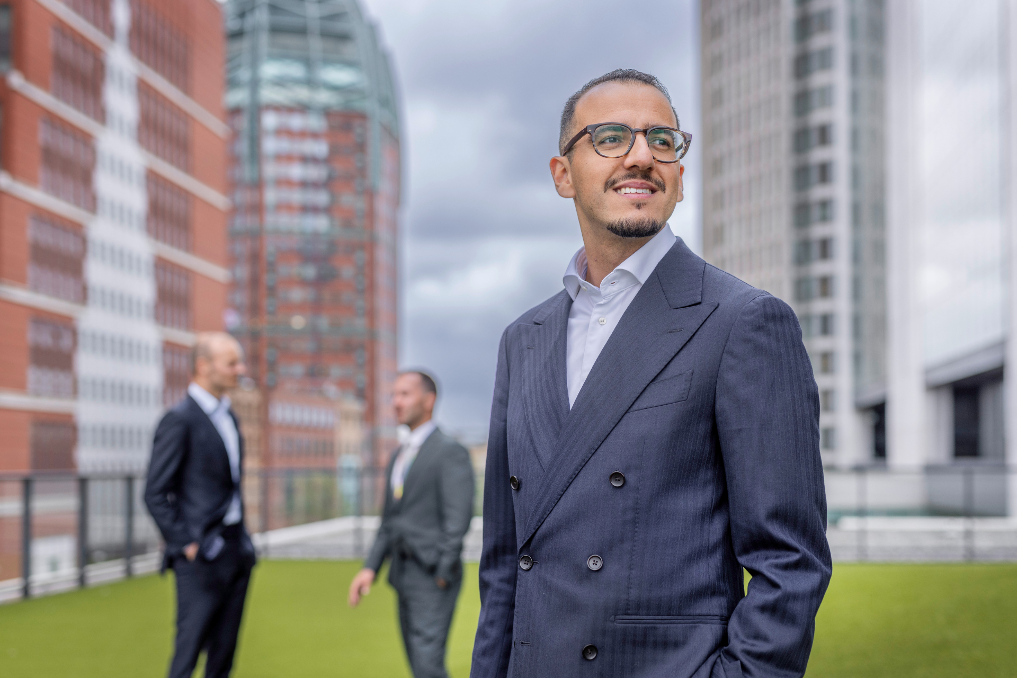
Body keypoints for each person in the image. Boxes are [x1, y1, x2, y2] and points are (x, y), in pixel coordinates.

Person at [471, 69, 832, 677]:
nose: (641, 156)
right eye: (611, 137)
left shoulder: (744, 321)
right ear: (563, 174)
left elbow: (789, 561)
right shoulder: (522, 340)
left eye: (662, 140)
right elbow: (505, 562)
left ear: (680, 178)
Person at [348, 371, 475, 678]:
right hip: (403, 575)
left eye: (404, 394)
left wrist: (442, 571)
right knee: (419, 665)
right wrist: (370, 568)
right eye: (394, 395)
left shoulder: (449, 451)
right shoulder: (399, 456)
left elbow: (458, 518)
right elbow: (390, 521)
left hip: (433, 576)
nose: (396, 402)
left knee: (428, 665)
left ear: (428, 400)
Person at [145, 332, 256, 678]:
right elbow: (154, 492)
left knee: (223, 656)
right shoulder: (180, 419)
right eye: (231, 363)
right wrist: (186, 544)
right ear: (203, 367)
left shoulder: (229, 417)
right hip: (200, 557)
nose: (240, 369)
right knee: (188, 654)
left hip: (236, 551)